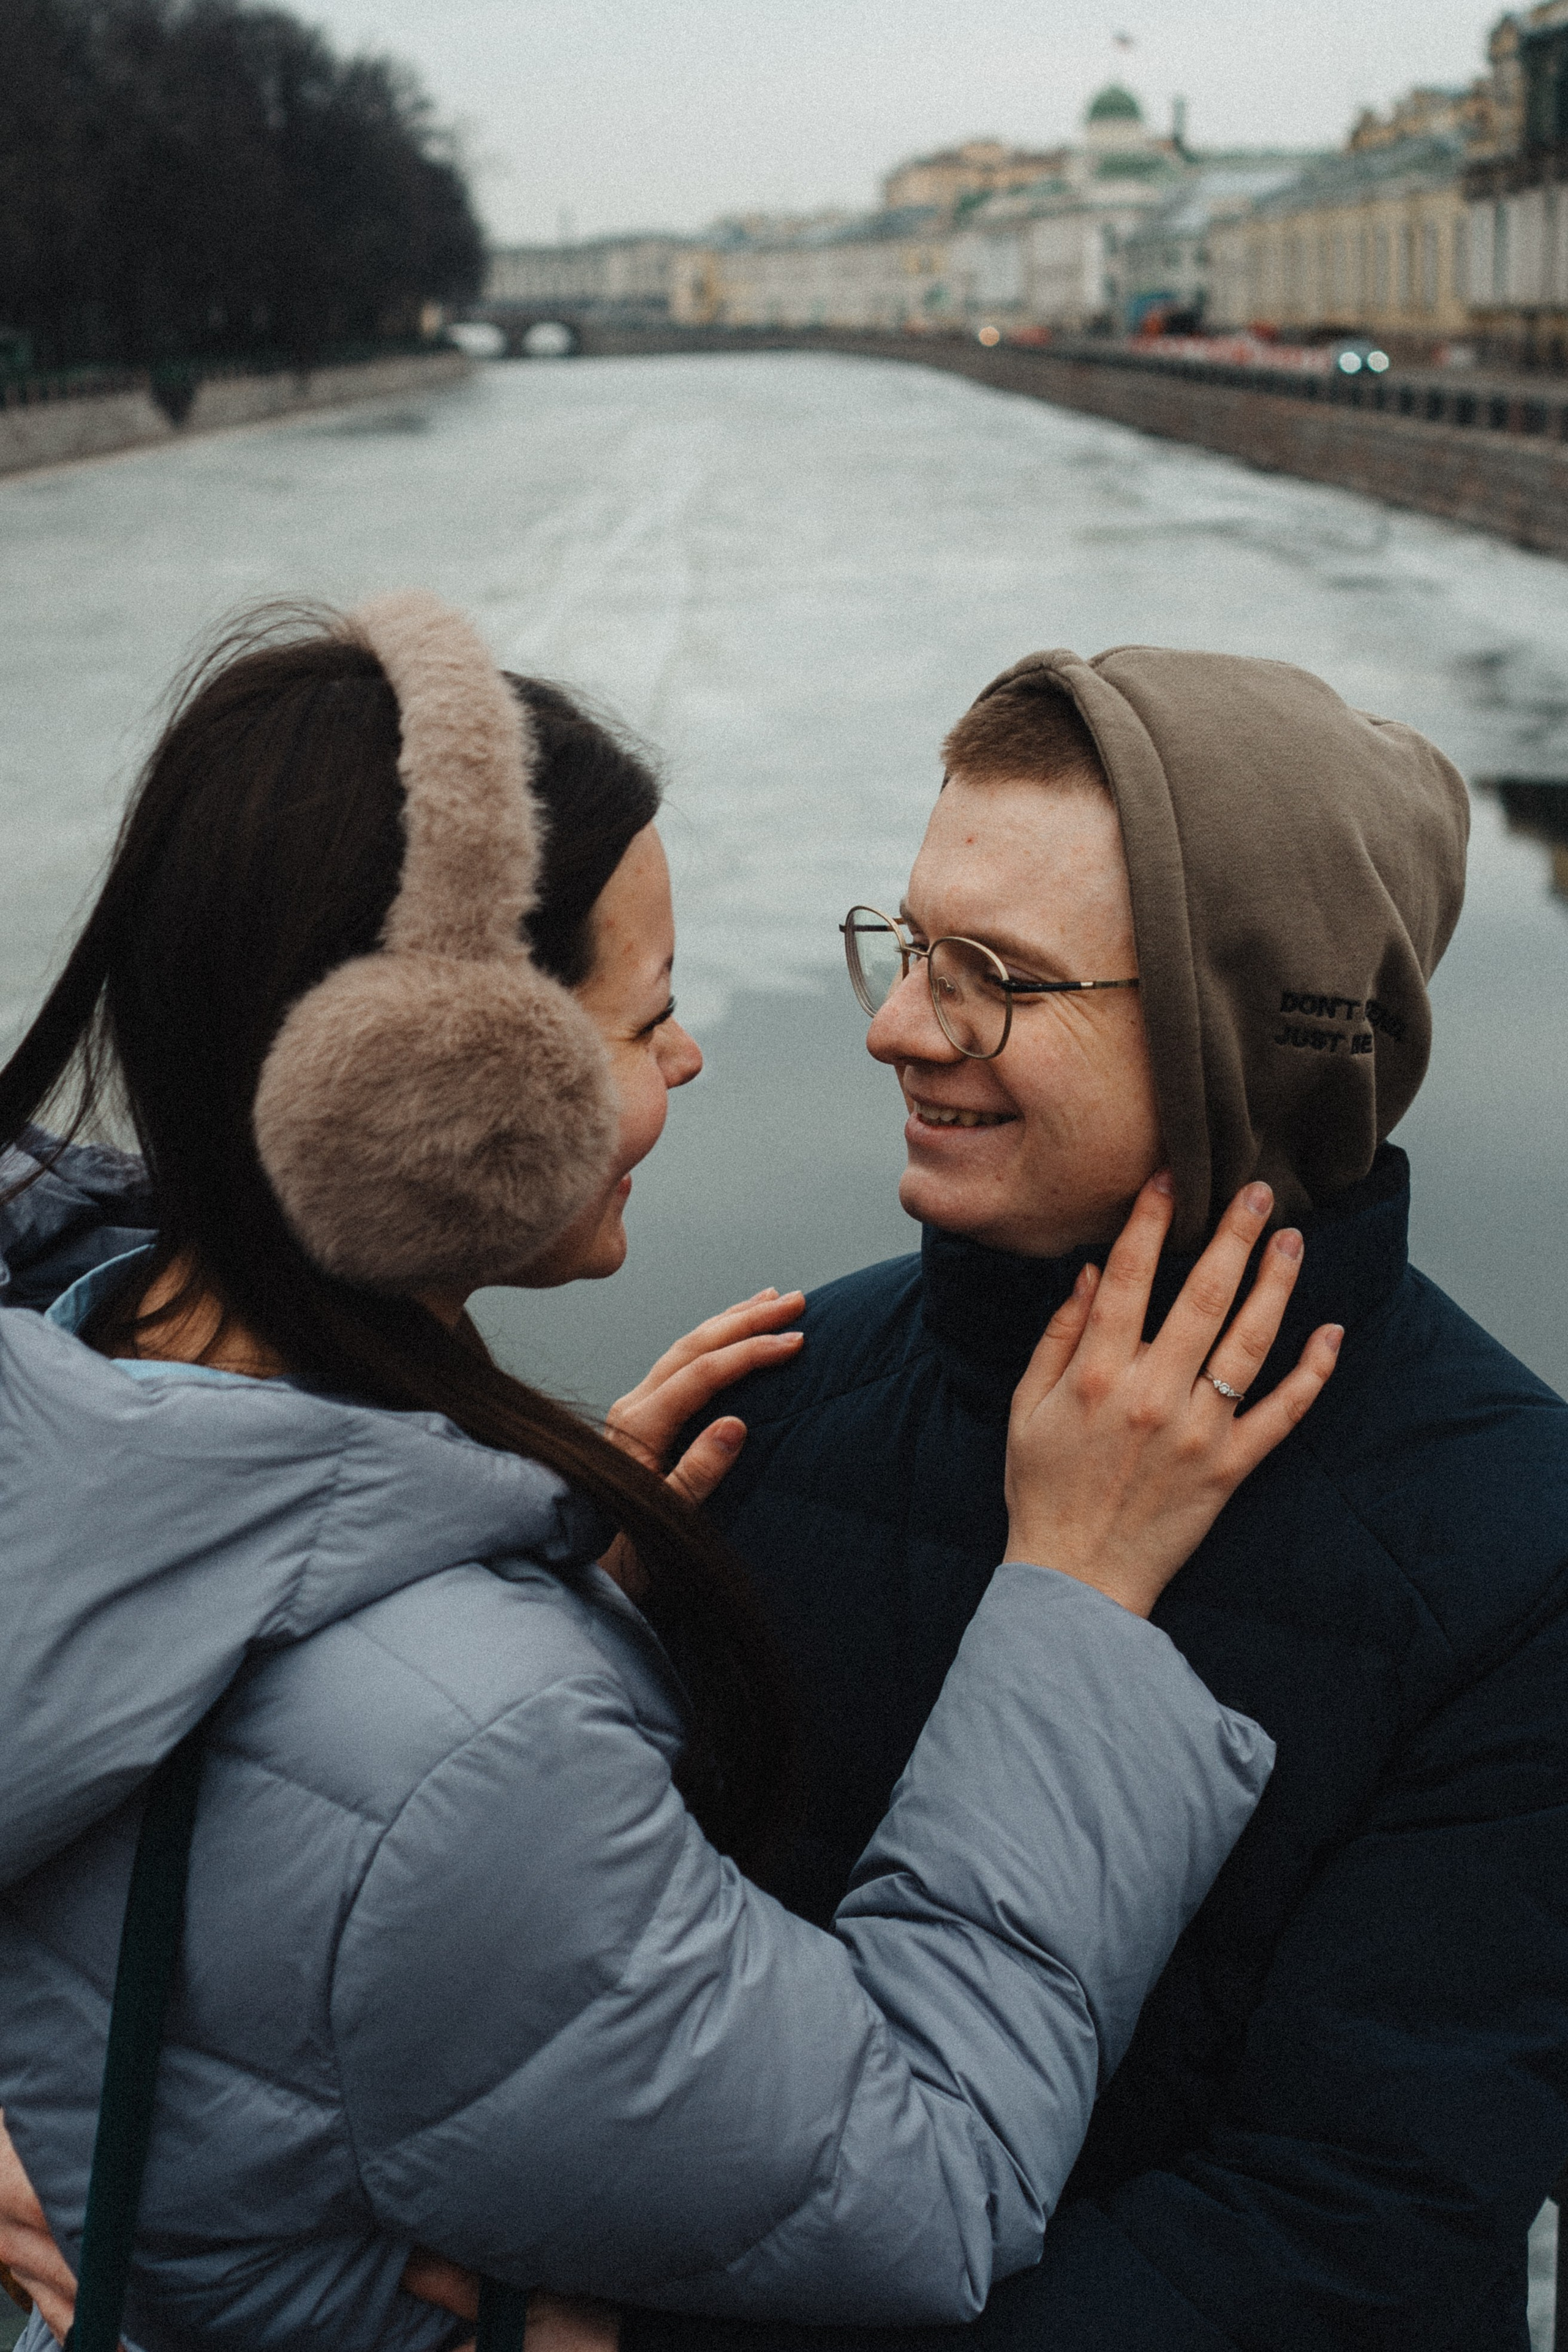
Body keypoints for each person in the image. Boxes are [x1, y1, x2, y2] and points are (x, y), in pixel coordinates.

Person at [0, 598, 1337, 2352]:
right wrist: (1075, 1603)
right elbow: (923, 2180)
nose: (696, 1061)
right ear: (436, 1086)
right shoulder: (479, 1755)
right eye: (649, 1025)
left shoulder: (70, 1370)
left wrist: (481, 1539)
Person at [614, 647, 1568, 2352]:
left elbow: (1351, 2228)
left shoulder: (1519, 1553)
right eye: (907, 949)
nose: (902, 1027)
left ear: (1245, 1035)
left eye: (995, 977)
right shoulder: (770, 1388)